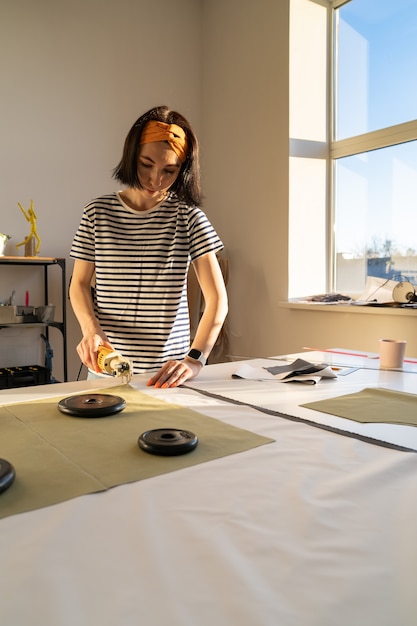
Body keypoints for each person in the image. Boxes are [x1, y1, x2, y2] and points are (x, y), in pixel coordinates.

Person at [69, 105, 228, 388]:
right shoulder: (97, 213)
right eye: (146, 164)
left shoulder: (189, 217)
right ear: (131, 156)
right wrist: (90, 330)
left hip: (167, 376)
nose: (156, 180)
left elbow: (217, 301)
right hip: (107, 369)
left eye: (170, 170)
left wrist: (194, 359)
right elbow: (79, 284)